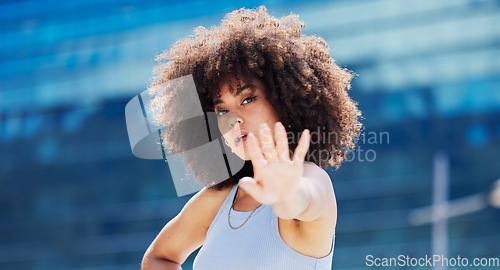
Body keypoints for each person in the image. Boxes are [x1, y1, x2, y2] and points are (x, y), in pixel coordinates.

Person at [142, 6, 362, 270]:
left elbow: (303, 201)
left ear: (285, 101)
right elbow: (159, 258)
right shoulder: (220, 199)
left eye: (247, 99)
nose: (233, 118)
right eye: (221, 110)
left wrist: (286, 195)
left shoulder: (310, 179)